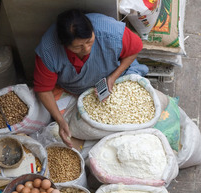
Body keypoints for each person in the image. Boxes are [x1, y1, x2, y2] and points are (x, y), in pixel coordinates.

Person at [33, 9, 148, 147]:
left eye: (89, 41)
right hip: (73, 87)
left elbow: (135, 49)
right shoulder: (49, 51)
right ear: (64, 45)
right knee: (57, 119)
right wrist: (60, 121)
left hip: (112, 75)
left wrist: (112, 77)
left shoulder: (109, 32)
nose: (86, 48)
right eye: (78, 47)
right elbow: (44, 90)